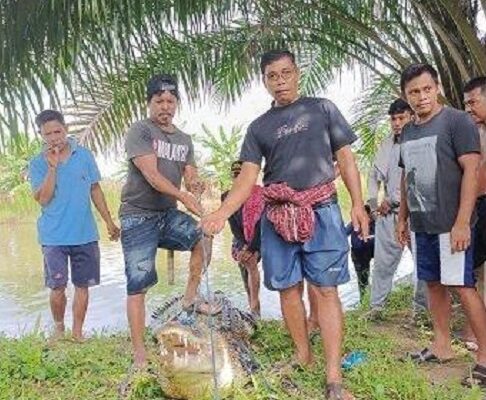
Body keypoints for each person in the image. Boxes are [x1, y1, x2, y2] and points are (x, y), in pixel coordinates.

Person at [202, 50, 368, 400]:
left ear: (297, 74)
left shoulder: (322, 108)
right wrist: (220, 213)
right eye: (272, 76)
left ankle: (334, 376)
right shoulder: (258, 127)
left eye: (285, 73)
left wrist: (356, 203)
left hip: (321, 210)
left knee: (325, 289)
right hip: (277, 214)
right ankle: (303, 355)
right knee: (288, 290)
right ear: (265, 81)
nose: (280, 81)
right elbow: (247, 180)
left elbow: (346, 160)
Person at [396, 63, 486, 386]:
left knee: (462, 286)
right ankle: (442, 345)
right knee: (432, 283)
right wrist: (402, 218)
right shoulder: (407, 130)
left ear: (436, 88)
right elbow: (407, 177)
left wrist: (463, 221)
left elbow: (472, 171)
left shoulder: (457, 121)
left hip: (452, 223)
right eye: (413, 93)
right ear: (405, 96)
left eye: (426, 89)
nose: (421, 97)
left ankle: (484, 358)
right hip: (422, 225)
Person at [119, 74, 216, 368]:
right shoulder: (140, 131)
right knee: (138, 283)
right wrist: (183, 197)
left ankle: (190, 299)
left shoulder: (184, 140)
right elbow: (152, 175)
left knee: (204, 235)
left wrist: (196, 186)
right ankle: (139, 354)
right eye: (159, 101)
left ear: (177, 104)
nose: (165, 106)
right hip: (137, 216)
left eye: (170, 101)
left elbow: (191, 175)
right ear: (149, 103)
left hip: (166, 215)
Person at [28, 110, 120, 341]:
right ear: (41, 135)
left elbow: (95, 189)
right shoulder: (37, 163)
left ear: (65, 129)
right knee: (57, 287)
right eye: (47, 134)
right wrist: (52, 167)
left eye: (57, 131)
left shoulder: (84, 156)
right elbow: (43, 198)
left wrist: (109, 221)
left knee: (82, 286)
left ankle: (78, 333)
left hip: (85, 234)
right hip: (53, 237)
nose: (53, 138)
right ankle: (59, 329)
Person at [367, 99, 427, 317]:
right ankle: (376, 307)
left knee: (423, 264)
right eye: (393, 119)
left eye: (401, 118)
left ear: (411, 116)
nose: (396, 123)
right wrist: (374, 206)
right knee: (382, 264)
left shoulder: (423, 141)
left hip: (418, 214)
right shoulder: (387, 144)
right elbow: (373, 177)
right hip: (390, 214)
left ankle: (420, 311)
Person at [458, 77, 486, 350]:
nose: (468, 109)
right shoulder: (474, 133)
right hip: (478, 207)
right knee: (474, 269)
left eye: (473, 102)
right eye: (465, 104)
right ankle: (475, 330)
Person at [222, 161, 264, 316]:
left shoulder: (261, 194)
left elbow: (261, 223)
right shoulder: (227, 196)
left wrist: (252, 247)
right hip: (241, 238)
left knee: (251, 260)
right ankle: (251, 304)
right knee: (244, 261)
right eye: (235, 175)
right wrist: (244, 246)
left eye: (242, 175)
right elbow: (233, 225)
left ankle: (255, 308)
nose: (238, 178)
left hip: (261, 238)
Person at [345, 205, 375, 302]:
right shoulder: (354, 225)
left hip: (373, 251)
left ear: (369, 215)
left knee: (379, 274)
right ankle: (363, 300)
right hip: (358, 255)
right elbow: (343, 233)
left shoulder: (375, 223)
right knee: (362, 280)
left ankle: (377, 298)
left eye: (364, 215)